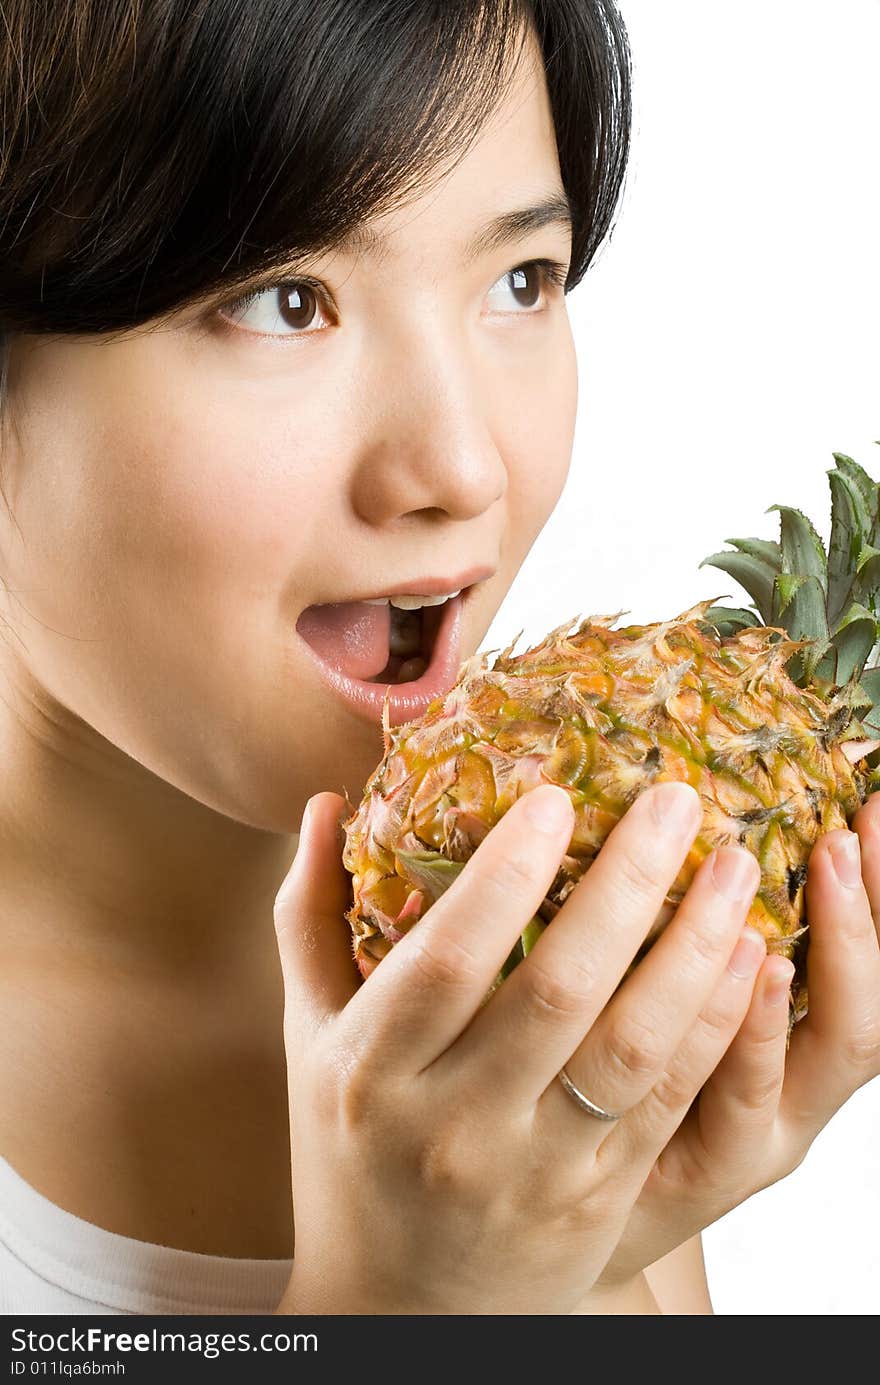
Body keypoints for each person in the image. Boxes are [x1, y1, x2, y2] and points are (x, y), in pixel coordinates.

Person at [1, 0, 878, 1317]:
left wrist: (596, 1265)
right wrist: (403, 1303)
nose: (463, 467)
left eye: (521, 282)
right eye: (286, 302)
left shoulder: (560, 959)